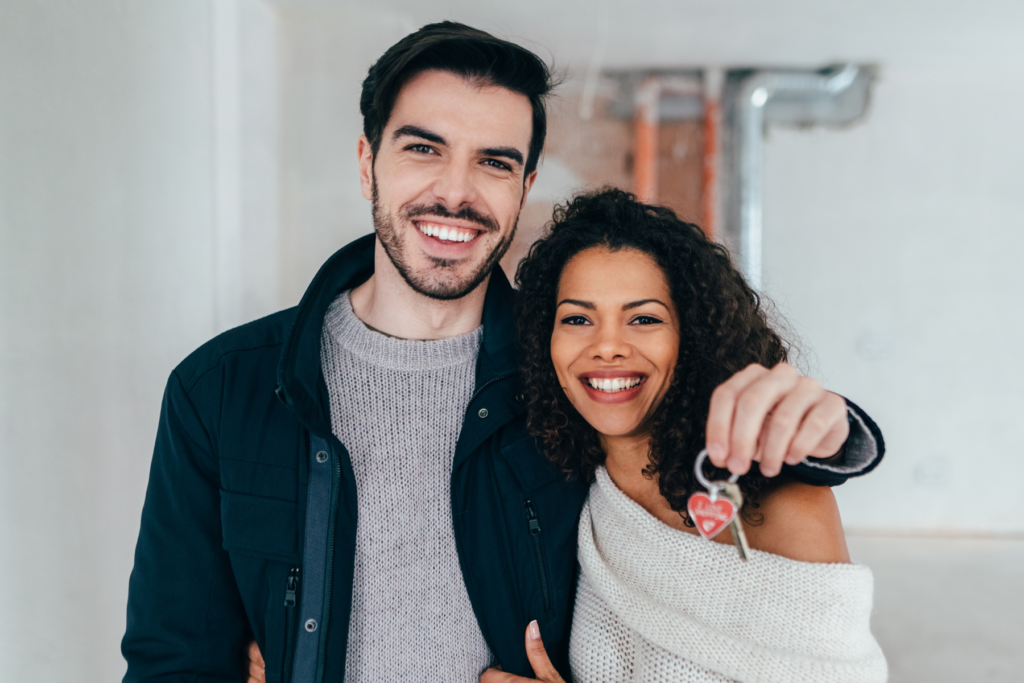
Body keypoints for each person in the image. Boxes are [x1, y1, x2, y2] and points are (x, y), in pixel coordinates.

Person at [123, 22, 883, 683]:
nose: (456, 193)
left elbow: (709, 422)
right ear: (367, 163)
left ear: (523, 188)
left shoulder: (567, 380)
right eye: (424, 148)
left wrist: (840, 432)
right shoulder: (222, 389)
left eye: (493, 161)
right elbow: (173, 655)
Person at [479, 188, 886, 683]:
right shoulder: (570, 490)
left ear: (691, 337)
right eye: (578, 319)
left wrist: (835, 429)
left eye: (644, 318)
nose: (607, 346)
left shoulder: (784, 506)